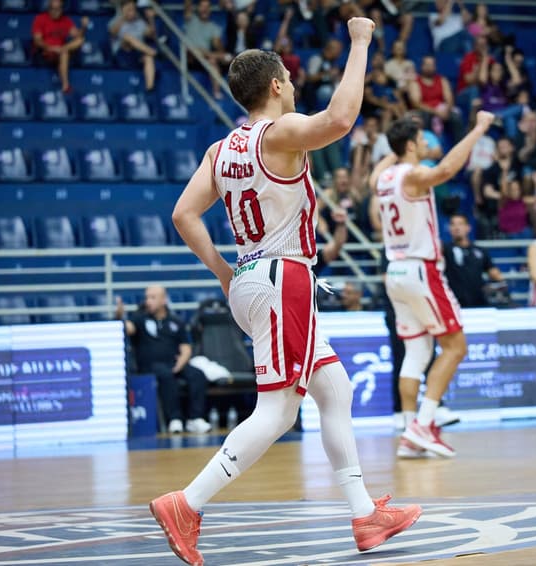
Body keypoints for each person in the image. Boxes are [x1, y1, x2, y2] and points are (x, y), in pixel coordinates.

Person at [152, 18, 421, 566]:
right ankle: (188, 502)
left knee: (335, 391)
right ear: (275, 86)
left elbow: (183, 214)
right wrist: (362, 42)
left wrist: (223, 272)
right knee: (278, 412)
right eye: (289, 78)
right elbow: (342, 118)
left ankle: (364, 513)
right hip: (283, 277)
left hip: (251, 280)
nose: (294, 83)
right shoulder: (279, 134)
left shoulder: (219, 150)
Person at [372, 110, 496, 459]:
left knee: (417, 352)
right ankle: (423, 425)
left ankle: (409, 433)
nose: (428, 143)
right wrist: (479, 128)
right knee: (456, 346)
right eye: (422, 139)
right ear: (411, 145)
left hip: (394, 273)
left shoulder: (383, 178)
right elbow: (445, 170)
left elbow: (372, 177)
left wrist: (397, 145)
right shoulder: (412, 175)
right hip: (419, 269)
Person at [115, 286, 211, 435]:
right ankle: (175, 418)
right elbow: (128, 328)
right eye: (147, 297)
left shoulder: (175, 321)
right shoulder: (140, 318)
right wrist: (119, 316)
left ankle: (195, 418)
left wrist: (181, 363)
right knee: (167, 375)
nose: (148, 301)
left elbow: (186, 348)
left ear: (163, 300)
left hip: (174, 363)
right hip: (150, 366)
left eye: (152, 297)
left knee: (197, 374)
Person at [442, 213, 506, 308]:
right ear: (449, 229)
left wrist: (500, 283)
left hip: (479, 301)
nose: (456, 227)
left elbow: (494, 272)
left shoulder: (480, 251)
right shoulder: (444, 250)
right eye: (453, 224)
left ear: (468, 228)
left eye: (460, 224)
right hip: (454, 303)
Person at [31, 0, 88, 93]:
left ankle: (62, 50)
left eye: (58, 9)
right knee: (64, 53)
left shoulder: (65, 20)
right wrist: (49, 48)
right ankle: (65, 84)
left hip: (60, 51)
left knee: (80, 41)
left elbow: (78, 35)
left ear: (62, 9)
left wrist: (84, 27)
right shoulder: (40, 18)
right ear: (49, 9)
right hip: (44, 52)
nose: (55, 11)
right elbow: (37, 40)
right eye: (53, 9)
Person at [108, 0, 157, 91]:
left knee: (148, 58)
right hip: (122, 54)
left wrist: (151, 19)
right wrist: (123, 17)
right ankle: (153, 53)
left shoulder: (140, 22)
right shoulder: (116, 20)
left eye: (133, 9)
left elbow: (151, 34)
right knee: (128, 37)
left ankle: (149, 87)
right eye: (129, 9)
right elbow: (113, 33)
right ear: (123, 10)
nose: (132, 12)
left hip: (137, 54)